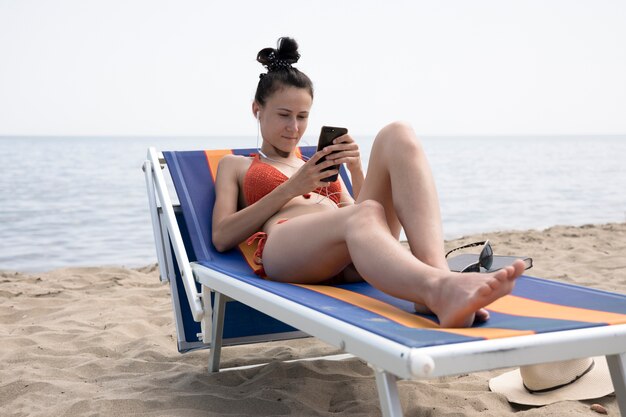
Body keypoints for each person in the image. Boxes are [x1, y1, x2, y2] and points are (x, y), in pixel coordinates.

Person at [212, 37, 525, 328]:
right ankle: (438, 288)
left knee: (397, 134)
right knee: (361, 214)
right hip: (285, 250)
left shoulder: (317, 165)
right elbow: (222, 236)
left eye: (303, 116)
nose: (294, 127)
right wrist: (292, 188)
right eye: (284, 115)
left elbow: (366, 215)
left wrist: (356, 168)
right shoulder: (236, 165)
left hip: (349, 251)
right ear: (257, 109)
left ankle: (438, 279)